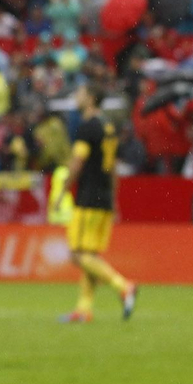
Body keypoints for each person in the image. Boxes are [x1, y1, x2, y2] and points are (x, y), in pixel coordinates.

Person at [61, 83, 138, 323]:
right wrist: (114, 199)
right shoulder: (108, 126)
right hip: (104, 196)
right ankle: (84, 309)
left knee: (77, 254)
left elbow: (77, 161)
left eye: (81, 93)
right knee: (90, 255)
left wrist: (63, 190)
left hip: (88, 196)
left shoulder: (88, 127)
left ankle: (123, 285)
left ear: (91, 98)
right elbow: (113, 166)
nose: (77, 96)